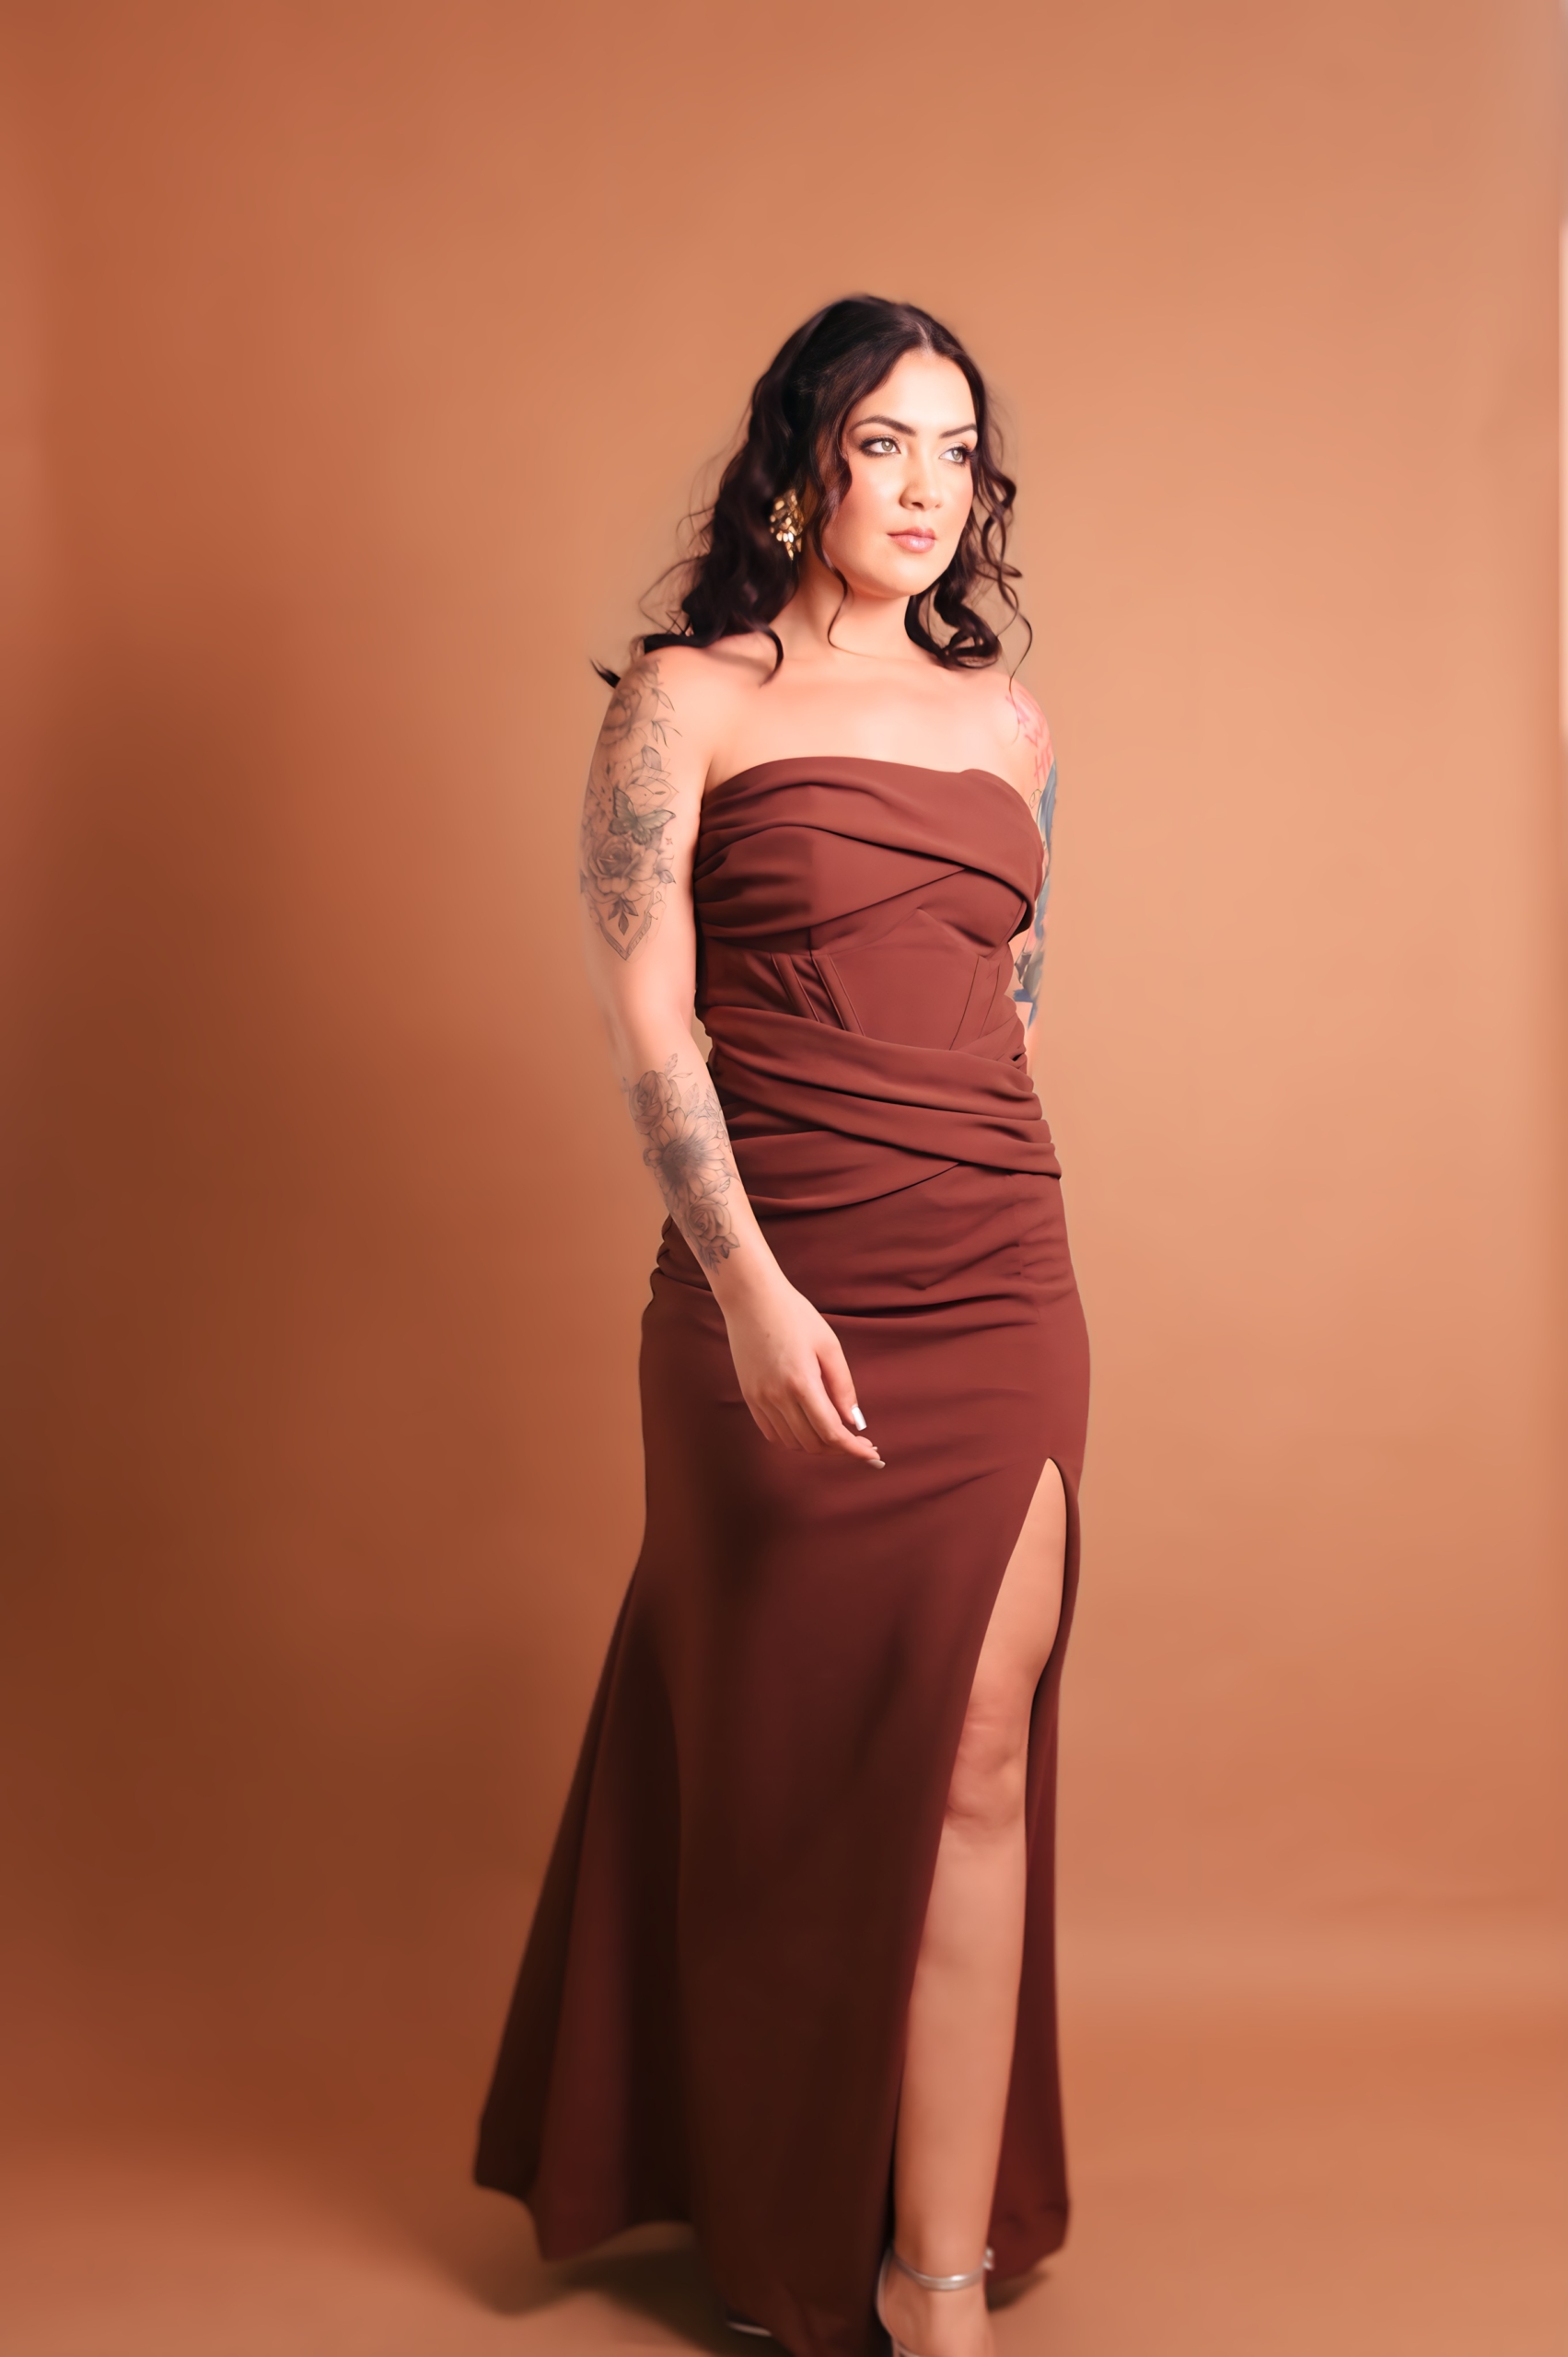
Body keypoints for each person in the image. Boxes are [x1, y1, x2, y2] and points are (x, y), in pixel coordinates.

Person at [475, 296, 1090, 2357]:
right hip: (766, 1273)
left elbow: (1010, 1010)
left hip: (997, 1278)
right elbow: (648, 1015)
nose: (926, 489)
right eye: (883, 443)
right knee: (775, 1762)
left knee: (980, 1755)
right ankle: (761, 2196)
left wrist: (978, 1200)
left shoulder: (1014, 727)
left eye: (957, 452)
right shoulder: (686, 699)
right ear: (800, 463)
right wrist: (746, 1281)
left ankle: (936, 2274)